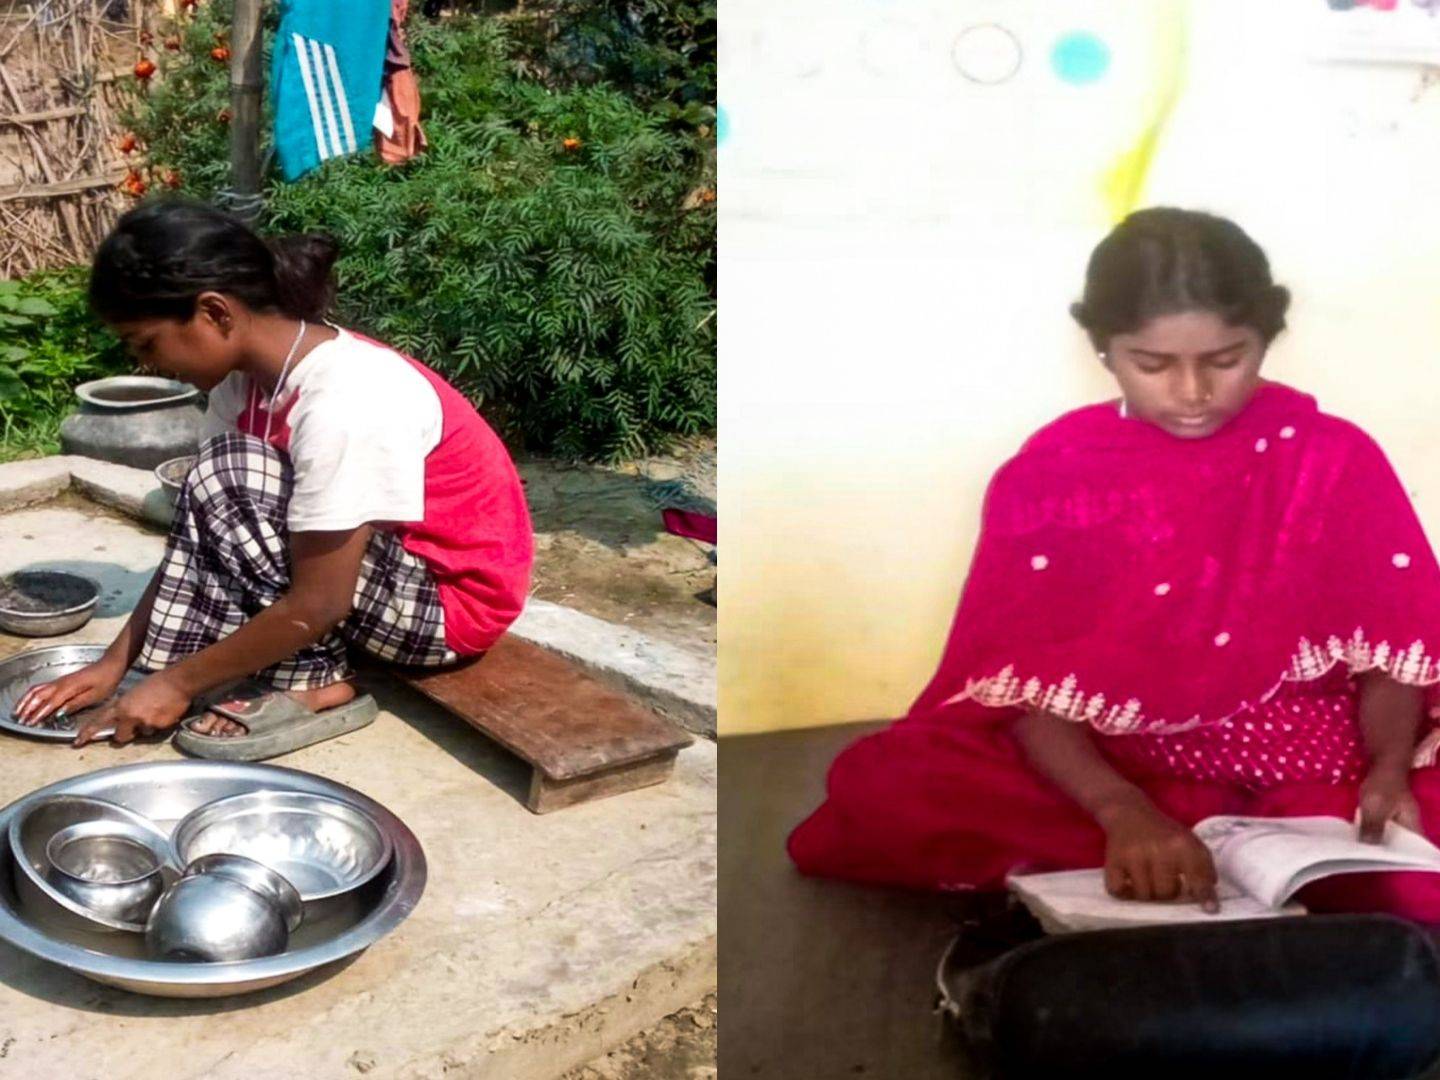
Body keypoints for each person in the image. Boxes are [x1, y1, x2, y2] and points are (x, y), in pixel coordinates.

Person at [788, 207, 1440, 920]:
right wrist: (1121, 810)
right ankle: (1175, 854)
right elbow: (1027, 692)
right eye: (1153, 364)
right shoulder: (1057, 472)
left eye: (1226, 360)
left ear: (1267, 337)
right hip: (1131, 774)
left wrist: (1384, 772)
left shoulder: (1329, 456)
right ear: (1103, 348)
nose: (1192, 392)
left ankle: (1250, 865)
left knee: (1409, 864)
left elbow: (1398, 657)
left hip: (1320, 776)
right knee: (890, 783)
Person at [14, 198, 533, 758]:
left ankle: (316, 682)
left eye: (147, 343)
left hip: (447, 612)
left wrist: (177, 681)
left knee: (229, 474)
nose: (148, 364)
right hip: (377, 582)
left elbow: (322, 601)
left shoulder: (347, 398)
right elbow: (196, 539)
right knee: (212, 484)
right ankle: (291, 659)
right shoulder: (242, 385)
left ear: (215, 313)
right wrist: (116, 663)